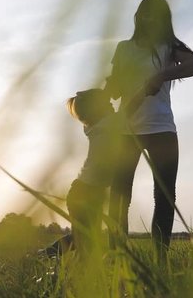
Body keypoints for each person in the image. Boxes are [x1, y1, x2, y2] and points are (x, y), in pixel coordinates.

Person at [104, 0, 193, 262]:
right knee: (119, 196)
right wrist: (107, 91)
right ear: (138, 16)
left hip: (162, 129)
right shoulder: (124, 48)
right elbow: (114, 87)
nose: (148, 18)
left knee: (164, 197)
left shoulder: (170, 47)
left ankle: (161, 260)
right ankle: (117, 257)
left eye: (155, 14)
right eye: (144, 13)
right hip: (126, 130)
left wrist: (161, 75)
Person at [40, 87, 148, 258]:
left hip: (87, 192)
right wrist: (146, 87)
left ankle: (48, 256)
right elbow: (131, 106)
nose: (112, 104)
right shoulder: (107, 124)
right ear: (96, 110)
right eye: (106, 103)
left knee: (84, 238)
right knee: (84, 239)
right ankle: (46, 256)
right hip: (84, 193)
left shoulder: (95, 126)